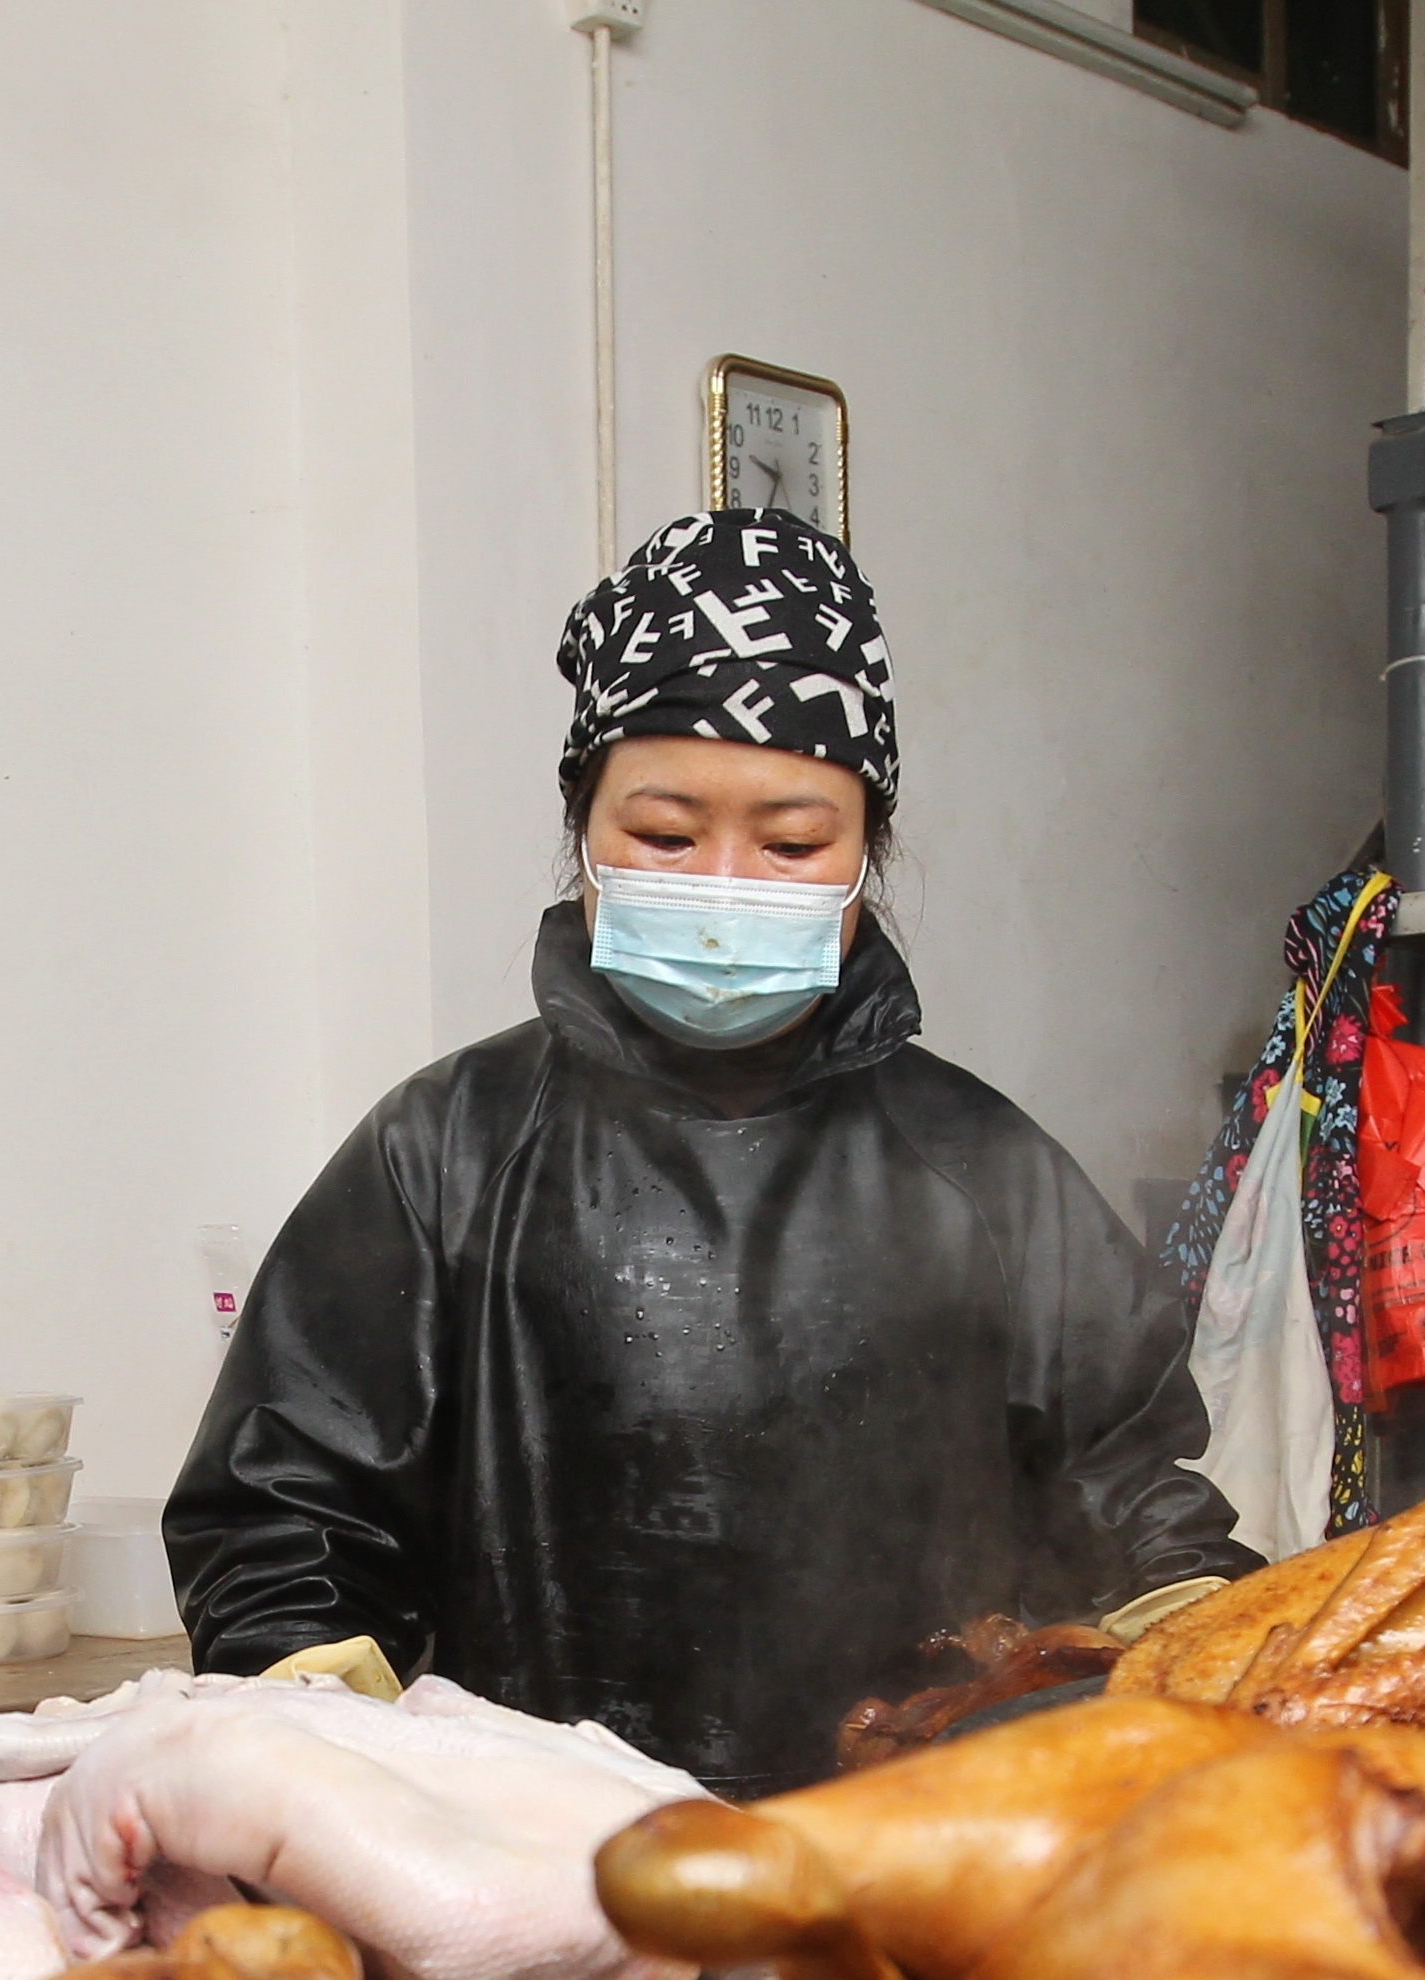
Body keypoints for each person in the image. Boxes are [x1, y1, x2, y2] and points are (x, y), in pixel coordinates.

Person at [166, 510, 1247, 1792]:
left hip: (923, 1848)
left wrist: (1205, 1644)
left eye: (791, 845)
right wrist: (340, 1745)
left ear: (866, 859)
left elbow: (1132, 1492)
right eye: (667, 837)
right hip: (546, 1856)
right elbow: (289, 1519)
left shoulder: (986, 1171)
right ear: (583, 835)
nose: (728, 889)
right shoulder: (446, 1150)